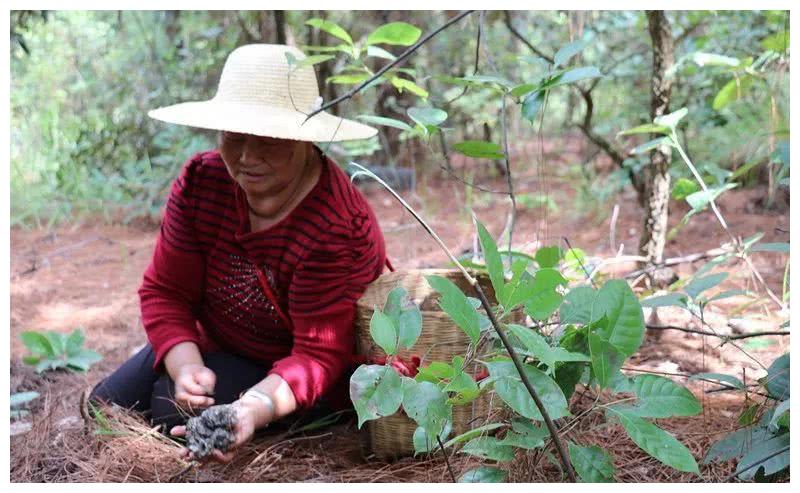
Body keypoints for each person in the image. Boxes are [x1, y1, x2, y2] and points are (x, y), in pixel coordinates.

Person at [89, 44, 388, 462]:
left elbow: (318, 355)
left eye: (267, 139)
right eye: (234, 135)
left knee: (166, 410)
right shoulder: (202, 183)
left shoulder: (337, 225)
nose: (246, 156)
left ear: (303, 137)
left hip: (291, 375)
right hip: (220, 342)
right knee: (103, 407)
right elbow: (166, 291)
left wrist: (253, 410)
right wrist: (186, 367)